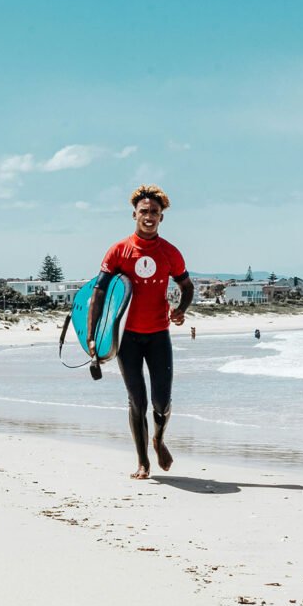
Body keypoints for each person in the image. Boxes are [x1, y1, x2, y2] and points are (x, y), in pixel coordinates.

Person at [88, 185, 194, 480]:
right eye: (144, 211)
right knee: (137, 401)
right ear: (134, 214)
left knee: (161, 402)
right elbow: (98, 292)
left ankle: (158, 438)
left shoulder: (170, 252)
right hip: (127, 338)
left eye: (154, 212)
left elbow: (186, 286)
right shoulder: (119, 251)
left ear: (162, 217)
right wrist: (93, 336)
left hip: (158, 335)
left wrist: (181, 308)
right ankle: (143, 462)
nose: (149, 216)